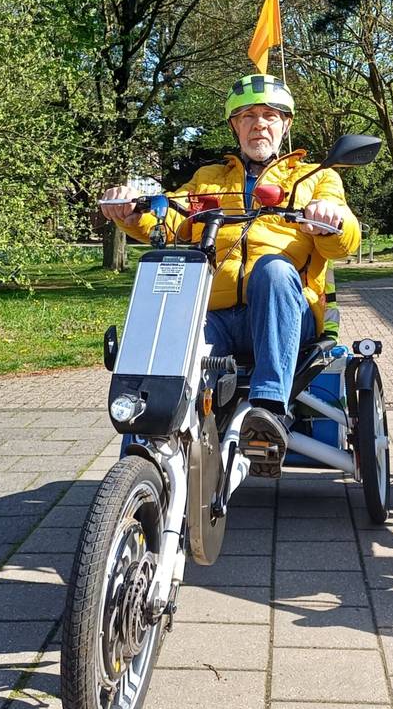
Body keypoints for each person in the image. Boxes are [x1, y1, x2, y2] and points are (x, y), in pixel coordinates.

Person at [100, 73, 361, 476]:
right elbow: (171, 216)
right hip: (217, 317)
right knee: (171, 328)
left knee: (272, 269)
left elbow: (342, 239)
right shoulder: (209, 180)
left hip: (286, 313)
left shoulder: (316, 178)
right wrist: (135, 210)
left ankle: (269, 411)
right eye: (248, 115)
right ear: (234, 126)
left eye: (270, 115)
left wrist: (331, 219)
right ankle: (151, 446)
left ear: (286, 125)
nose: (260, 124)